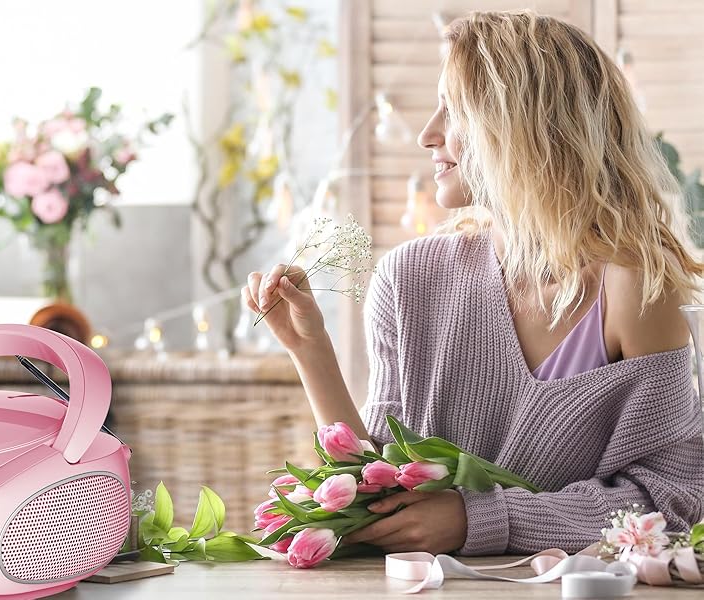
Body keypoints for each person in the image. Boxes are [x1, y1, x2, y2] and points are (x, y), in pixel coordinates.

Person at [242, 10, 704, 556]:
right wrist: (310, 350)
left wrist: (480, 520)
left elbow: (674, 500)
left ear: (527, 124)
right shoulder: (408, 279)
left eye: (454, 109)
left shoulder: (636, 287)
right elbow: (379, 485)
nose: (427, 133)